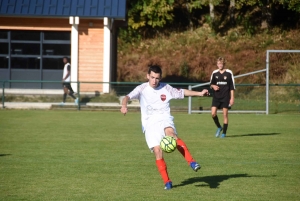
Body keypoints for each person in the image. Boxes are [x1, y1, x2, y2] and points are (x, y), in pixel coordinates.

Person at [120, 65, 209, 190]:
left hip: (164, 118)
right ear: (147, 76)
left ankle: (192, 162)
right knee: (157, 151)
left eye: (157, 78)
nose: (154, 80)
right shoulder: (141, 88)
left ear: (160, 77)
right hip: (149, 123)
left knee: (171, 134)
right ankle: (167, 181)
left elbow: (182, 92)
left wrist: (200, 93)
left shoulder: (166, 88)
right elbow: (127, 97)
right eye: (152, 77)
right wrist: (124, 105)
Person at [210, 57, 235, 138]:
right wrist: (213, 86)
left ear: (224, 64)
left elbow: (232, 87)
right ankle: (219, 127)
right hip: (216, 96)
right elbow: (211, 84)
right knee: (213, 113)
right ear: (217, 64)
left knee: (225, 115)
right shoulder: (214, 73)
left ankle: (224, 133)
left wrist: (232, 98)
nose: (220, 65)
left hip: (225, 97)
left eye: (221, 63)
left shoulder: (229, 73)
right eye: (218, 64)